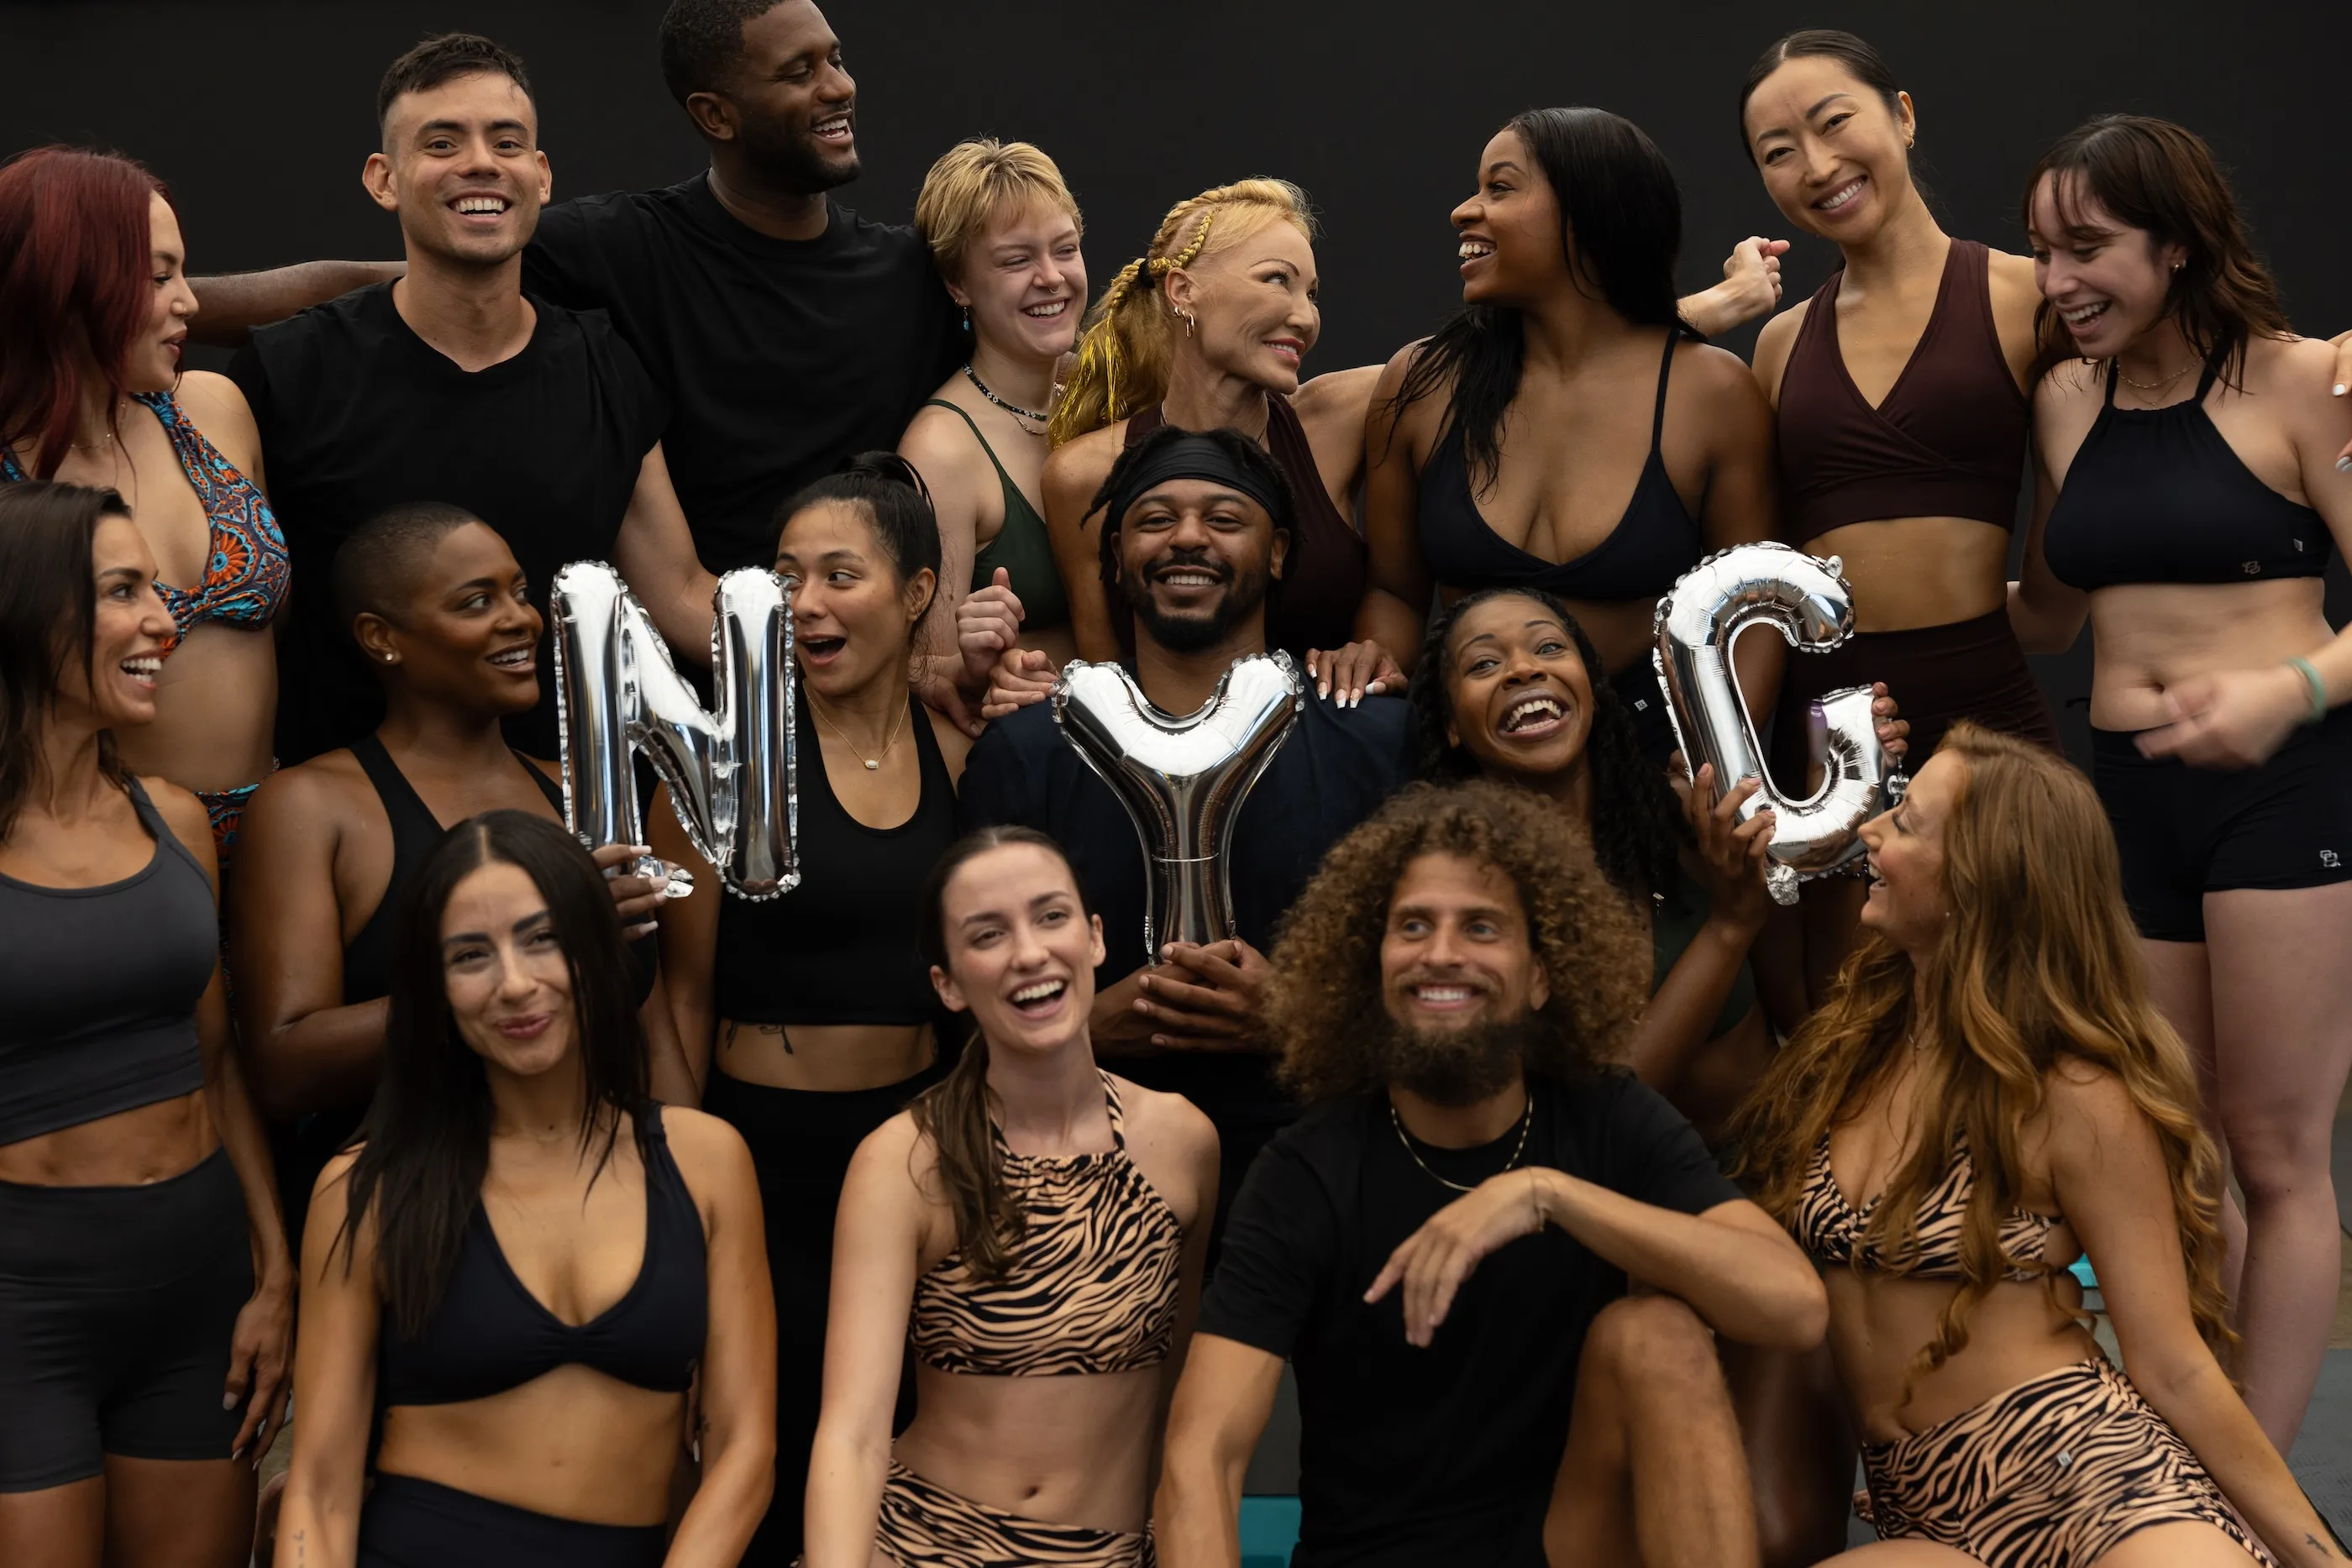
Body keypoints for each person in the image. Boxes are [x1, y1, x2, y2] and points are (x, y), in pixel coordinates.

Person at [1156, 781, 1828, 1568]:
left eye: (1481, 927)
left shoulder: (1603, 1117)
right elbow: (1201, 1458)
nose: (1442, 952)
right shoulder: (1308, 1171)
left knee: (1657, 1333)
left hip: (1562, 1544)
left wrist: (1548, 1194)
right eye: (1412, 926)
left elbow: (1793, 1308)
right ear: (1373, 967)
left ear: (1540, 974)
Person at [1733, 724, 2339, 1567]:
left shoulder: (2072, 1091)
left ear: (1981, 882)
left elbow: (2174, 1366)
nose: (1870, 829)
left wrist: (2321, 1555)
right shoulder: (1847, 1049)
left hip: (2094, 1481)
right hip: (1932, 1510)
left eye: (1905, 824)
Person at [2009, 115, 2352, 1454]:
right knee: (2175, 1152)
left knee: (2273, 1150)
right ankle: (2185, 1458)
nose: (2056, 279)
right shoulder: (2064, 396)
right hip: (2126, 797)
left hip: (2283, 796)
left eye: (2086, 248)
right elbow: (2047, 612)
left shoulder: (2306, 382)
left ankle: (2256, 1487)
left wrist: (2289, 689)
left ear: (2181, 243)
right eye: (2042, 251)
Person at [194, 0, 963, 588]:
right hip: (692, 676)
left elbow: (1021, 391)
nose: (839, 88)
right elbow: (375, 287)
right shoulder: (623, 247)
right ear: (714, 115)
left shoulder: (909, 275)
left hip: (856, 655)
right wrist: (150, 299)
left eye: (835, 59)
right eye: (800, 73)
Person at [274, 810, 774, 1568]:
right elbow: (319, 1485)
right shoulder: (365, 1187)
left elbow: (743, 1449)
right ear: (435, 988)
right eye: (471, 955)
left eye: (542, 938)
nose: (514, 983)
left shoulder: (707, 1163)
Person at [961, 425, 1415, 1239]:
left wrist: (1298, 1015)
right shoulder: (1026, 751)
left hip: (1329, 1178)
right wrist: (1079, 1026)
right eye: (1155, 519)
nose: (1188, 539)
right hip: (1081, 1182)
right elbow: (951, 998)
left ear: (1277, 553)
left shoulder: (1374, 741)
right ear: (1113, 557)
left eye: (1224, 519)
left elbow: (1445, 993)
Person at [224, 34, 713, 766]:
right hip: (353, 826)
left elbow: (676, 592)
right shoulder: (286, 372)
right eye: (443, 142)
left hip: (560, 820)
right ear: (384, 179)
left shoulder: (604, 366)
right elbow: (254, 621)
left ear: (541, 176)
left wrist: (864, 646)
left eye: (507, 141)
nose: (481, 162)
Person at [649, 452, 969, 1564]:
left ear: (917, 590)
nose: (806, 601)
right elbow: (677, 1000)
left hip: (920, 1166)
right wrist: (678, 1195)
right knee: (760, 1457)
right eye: (785, 575)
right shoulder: (719, 766)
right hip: (756, 1164)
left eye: (841, 573)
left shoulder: (966, 755)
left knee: (900, 1459)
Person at [230, 502, 688, 1258]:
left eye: (518, 591)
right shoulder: (313, 807)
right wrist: (542, 945)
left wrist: (677, 1203)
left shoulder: (585, 796)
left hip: (595, 1215)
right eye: (477, 602)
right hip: (414, 1228)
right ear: (383, 639)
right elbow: (283, 1064)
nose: (522, 619)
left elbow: (651, 1027)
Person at [1737, 30, 2065, 1009]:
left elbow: (2056, 608)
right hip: (1834, 736)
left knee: (2028, 1019)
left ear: (1903, 116)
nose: (1817, 164)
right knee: (1852, 1037)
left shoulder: (2024, 295)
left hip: (1986, 719)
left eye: (1834, 121)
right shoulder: (1778, 343)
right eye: (1778, 150)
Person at [0, 483, 290, 1568]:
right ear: (30, 613)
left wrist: (273, 1271)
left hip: (198, 1293)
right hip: (23, 1299)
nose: (166, 621)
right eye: (124, 591)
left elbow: (217, 1063)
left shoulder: (173, 816)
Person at [804, 826, 1220, 1567]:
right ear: (949, 983)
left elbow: (1181, 1394)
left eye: (1051, 916)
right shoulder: (904, 1160)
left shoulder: (1182, 1142)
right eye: (988, 934)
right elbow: (854, 1432)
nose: (1029, 953)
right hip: (924, 1547)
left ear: (1095, 938)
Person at [1350, 108, 1782, 764]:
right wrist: (1376, 665)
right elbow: (1394, 593)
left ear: (1591, 214)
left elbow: (1754, 609)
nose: (1464, 211)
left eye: (1500, 188)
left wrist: (1717, 760)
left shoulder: (1712, 393)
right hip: (1469, 752)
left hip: (1650, 753)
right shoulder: (1422, 382)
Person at [1410, 587, 1895, 1139]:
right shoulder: (1464, 896)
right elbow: (1602, 1114)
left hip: (1784, 1159)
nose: (1523, 669)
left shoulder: (1678, 823)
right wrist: (1730, 924)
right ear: (1450, 723)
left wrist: (1844, 820)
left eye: (1548, 648)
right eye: (1485, 663)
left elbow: (1816, 1014)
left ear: (1590, 684)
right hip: (1630, 1204)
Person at [0, 148, 286, 868]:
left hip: (283, 843)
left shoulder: (213, 410)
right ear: (66, 285)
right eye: (159, 277)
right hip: (107, 861)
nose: (189, 301)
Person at [897, 139, 1088, 707]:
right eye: (1016, 260)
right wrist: (982, 666)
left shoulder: (1109, 395)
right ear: (959, 285)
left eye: (1066, 249)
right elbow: (922, 665)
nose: (1051, 277)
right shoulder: (943, 448)